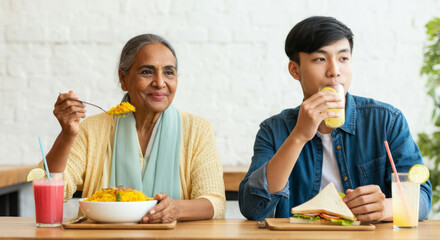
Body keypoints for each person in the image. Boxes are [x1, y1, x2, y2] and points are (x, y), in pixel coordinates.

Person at [238, 16, 432, 221]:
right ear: (295, 70)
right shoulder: (273, 130)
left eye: (343, 58)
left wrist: (384, 208)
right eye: (320, 59)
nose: (335, 72)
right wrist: (299, 136)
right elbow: (252, 208)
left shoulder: (386, 121)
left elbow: (422, 198)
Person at [39, 34, 225, 223]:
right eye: (147, 72)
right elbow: (53, 190)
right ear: (123, 78)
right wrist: (67, 135)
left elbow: (215, 203)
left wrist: (177, 209)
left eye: (169, 72)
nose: (160, 82)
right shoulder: (91, 129)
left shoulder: (197, 129)